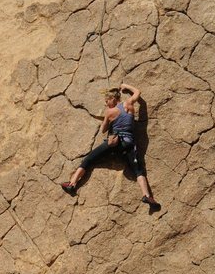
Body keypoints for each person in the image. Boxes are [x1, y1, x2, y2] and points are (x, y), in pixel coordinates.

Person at [60, 83, 161, 212]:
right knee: (139, 171)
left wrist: (107, 118)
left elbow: (103, 130)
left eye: (107, 101)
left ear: (113, 99)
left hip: (114, 143)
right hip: (129, 143)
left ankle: (72, 184)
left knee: (88, 160)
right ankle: (147, 196)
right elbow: (137, 92)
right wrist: (125, 86)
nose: (106, 104)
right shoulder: (129, 104)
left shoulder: (110, 111)